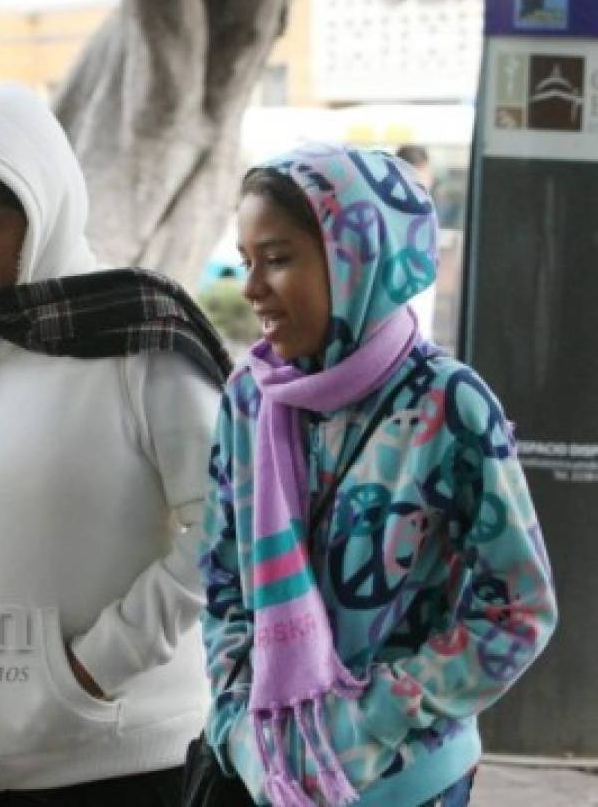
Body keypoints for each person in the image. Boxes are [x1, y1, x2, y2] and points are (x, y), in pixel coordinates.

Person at [0, 82, 231, 805]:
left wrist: (93, 667)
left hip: (115, 762)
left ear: (39, 208)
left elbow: (225, 527)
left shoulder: (137, 337)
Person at [197, 143, 557, 806]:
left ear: (354, 259)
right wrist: (235, 726)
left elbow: (518, 609)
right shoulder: (249, 398)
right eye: (246, 261)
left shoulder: (446, 404)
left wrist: (376, 716)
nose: (250, 288)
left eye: (276, 259)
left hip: (408, 780)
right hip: (265, 774)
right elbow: (220, 579)